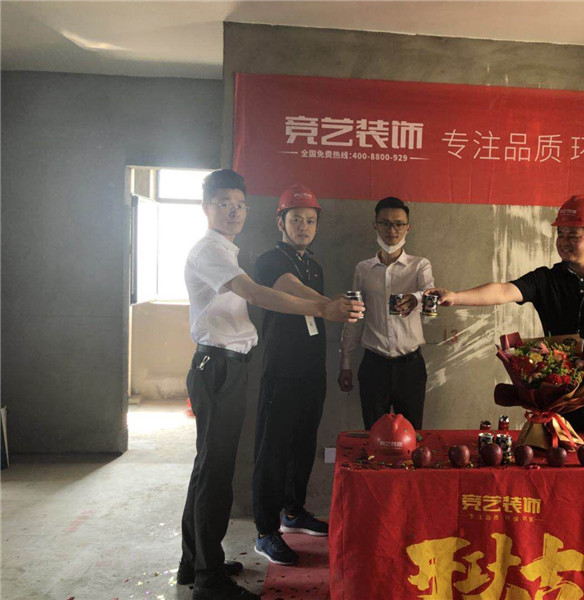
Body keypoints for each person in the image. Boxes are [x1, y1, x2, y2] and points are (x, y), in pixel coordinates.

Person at [178, 170, 363, 600]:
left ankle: (197, 562)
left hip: (228, 366)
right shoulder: (213, 251)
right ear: (206, 207)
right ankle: (209, 579)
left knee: (210, 469)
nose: (234, 211)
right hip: (219, 367)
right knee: (216, 472)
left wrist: (325, 308)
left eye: (240, 205)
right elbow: (260, 294)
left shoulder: (228, 251)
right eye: (224, 203)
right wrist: (326, 308)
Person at [427, 195, 584, 455]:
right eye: (560, 234)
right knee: (563, 468)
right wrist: (456, 297)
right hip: (563, 401)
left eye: (573, 235)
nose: (564, 241)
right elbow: (503, 291)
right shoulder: (546, 280)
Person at [251, 184, 330, 566]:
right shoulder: (269, 260)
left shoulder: (314, 265)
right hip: (281, 370)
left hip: (312, 369)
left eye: (310, 220)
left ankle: (293, 512)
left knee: (303, 443)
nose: (304, 226)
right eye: (296, 219)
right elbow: (290, 290)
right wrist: (332, 305)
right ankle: (266, 531)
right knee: (273, 449)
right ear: (280, 221)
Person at [338, 196, 434, 430]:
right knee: (373, 434)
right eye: (385, 223)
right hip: (374, 365)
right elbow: (354, 317)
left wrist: (416, 298)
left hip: (410, 366)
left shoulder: (420, 265)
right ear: (375, 225)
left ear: (408, 227)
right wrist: (346, 361)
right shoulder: (363, 269)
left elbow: (431, 297)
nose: (392, 230)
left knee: (411, 435)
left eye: (399, 224)